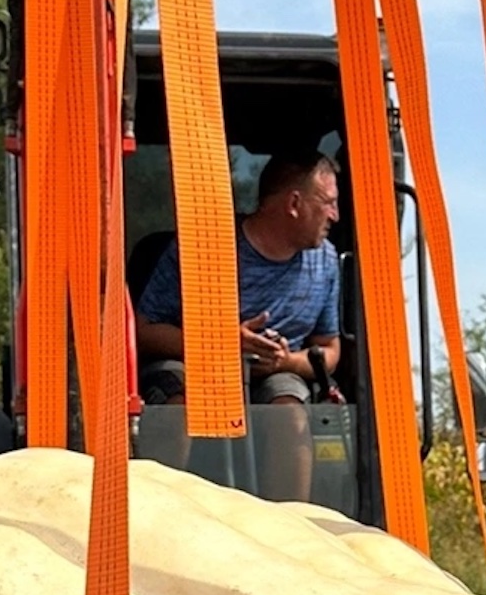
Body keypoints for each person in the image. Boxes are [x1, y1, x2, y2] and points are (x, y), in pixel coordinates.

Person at [135, 153, 344, 475]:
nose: (336, 215)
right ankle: (164, 516)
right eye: (328, 202)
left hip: (274, 375)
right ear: (294, 203)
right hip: (191, 363)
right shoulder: (202, 245)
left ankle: (289, 522)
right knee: (178, 409)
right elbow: (142, 330)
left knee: (289, 417)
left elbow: (329, 350)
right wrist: (221, 343)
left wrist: (285, 362)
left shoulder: (326, 262)